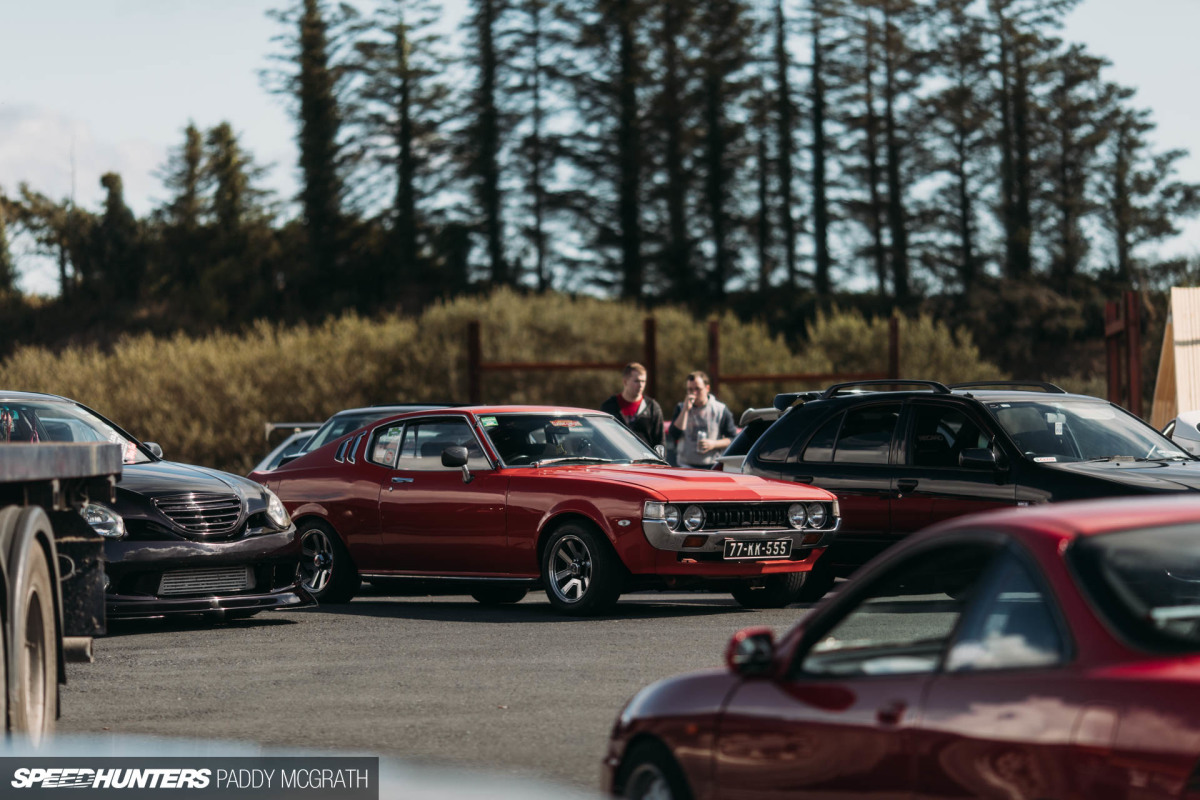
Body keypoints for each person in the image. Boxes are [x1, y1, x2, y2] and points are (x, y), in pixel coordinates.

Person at [668, 371, 736, 468]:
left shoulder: (720, 409)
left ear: (707, 388)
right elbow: (674, 434)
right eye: (690, 390)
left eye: (698, 389)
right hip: (685, 465)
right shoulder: (681, 408)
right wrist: (685, 410)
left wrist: (713, 444)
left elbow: (733, 438)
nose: (694, 393)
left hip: (712, 465)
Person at [600, 363, 665, 450]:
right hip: (617, 460)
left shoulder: (652, 407)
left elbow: (660, 442)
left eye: (643, 381)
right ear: (625, 382)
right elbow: (601, 438)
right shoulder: (609, 406)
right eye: (636, 381)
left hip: (645, 461)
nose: (641, 385)